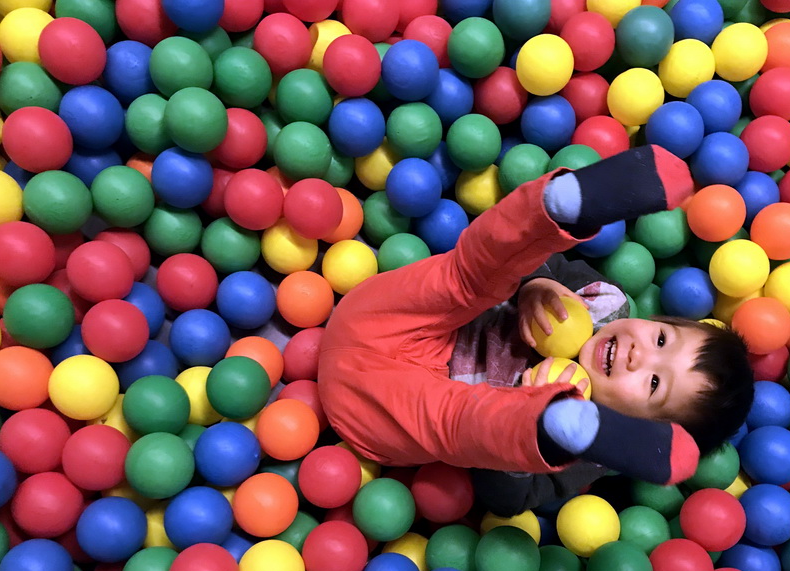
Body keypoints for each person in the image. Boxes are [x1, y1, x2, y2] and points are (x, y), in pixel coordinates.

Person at [317, 145, 755, 515]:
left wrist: (529, 428)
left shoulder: (593, 455)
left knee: (459, 426)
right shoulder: (604, 300)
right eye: (661, 339)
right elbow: (550, 267)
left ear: (639, 429)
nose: (640, 354)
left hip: (376, 406)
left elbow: (509, 499)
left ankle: (544, 424)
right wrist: (535, 286)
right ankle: (560, 207)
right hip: (397, 320)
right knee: (467, 276)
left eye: (655, 383)